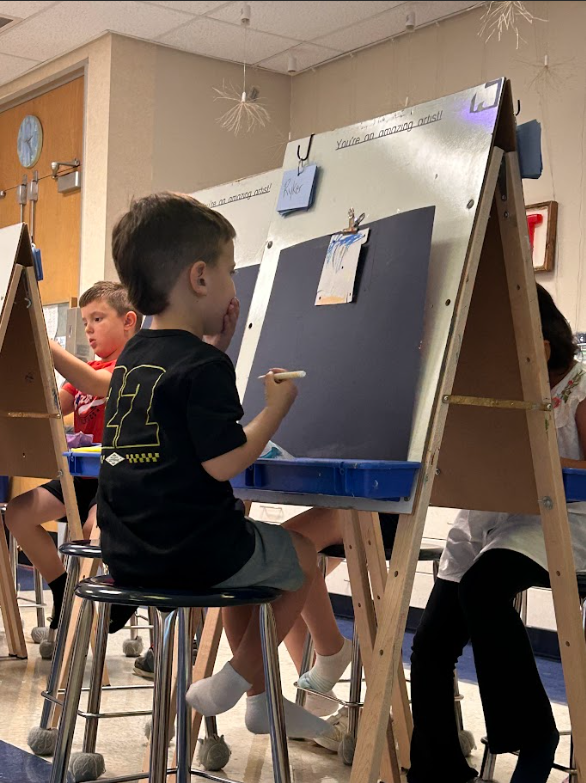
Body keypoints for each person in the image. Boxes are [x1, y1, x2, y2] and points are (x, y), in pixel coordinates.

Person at [97, 192, 350, 742]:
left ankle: (261, 699)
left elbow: (178, 409)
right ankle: (242, 677)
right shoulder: (205, 365)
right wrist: (274, 412)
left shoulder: (134, 355)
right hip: (193, 550)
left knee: (259, 558)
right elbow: (224, 462)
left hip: (128, 552)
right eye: (232, 272)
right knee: (302, 555)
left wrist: (218, 344)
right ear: (200, 278)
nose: (237, 287)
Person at [407, 284, 586, 783]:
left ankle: (533, 734)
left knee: (482, 587)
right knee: (432, 644)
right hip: (495, 514)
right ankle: (437, 769)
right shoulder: (490, 385)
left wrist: (528, 463)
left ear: (540, 338)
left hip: (567, 517)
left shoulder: (578, 384)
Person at [5, 281, 141, 630]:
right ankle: (62, 590)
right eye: (84, 322)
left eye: (98, 318)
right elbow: (50, 406)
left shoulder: (132, 369)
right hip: (80, 479)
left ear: (129, 321)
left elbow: (98, 385)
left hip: (119, 482)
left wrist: (46, 344)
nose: (89, 329)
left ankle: (119, 593)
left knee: (93, 529)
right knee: (19, 514)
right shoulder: (86, 371)